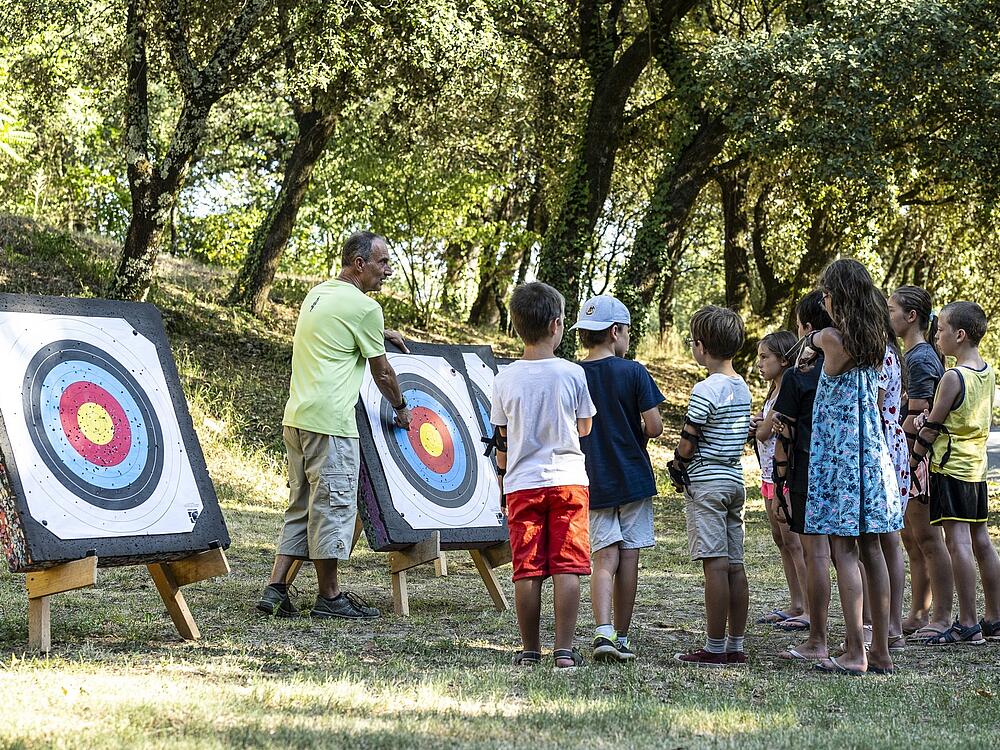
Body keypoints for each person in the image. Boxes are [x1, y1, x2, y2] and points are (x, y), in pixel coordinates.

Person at [256, 231, 413, 619]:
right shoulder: (364, 309)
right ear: (359, 264)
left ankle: (276, 589)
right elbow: (383, 372)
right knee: (333, 507)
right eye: (382, 262)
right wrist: (401, 406)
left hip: (297, 418)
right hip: (331, 426)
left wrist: (382, 332)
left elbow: (339, 333)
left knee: (302, 506)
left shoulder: (318, 294)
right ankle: (329, 596)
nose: (388, 270)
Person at [491, 282, 597, 670]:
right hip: (569, 480)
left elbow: (501, 435)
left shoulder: (504, 378)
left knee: (528, 569)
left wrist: (502, 484)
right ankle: (565, 651)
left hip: (522, 485)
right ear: (556, 325)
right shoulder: (572, 374)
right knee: (567, 566)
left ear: (517, 326)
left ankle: (530, 650)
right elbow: (584, 427)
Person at [806, 259, 902, 675]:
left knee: (843, 551)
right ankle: (879, 648)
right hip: (870, 453)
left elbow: (811, 346)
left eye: (827, 293)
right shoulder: (877, 340)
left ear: (836, 297)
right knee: (874, 550)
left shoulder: (831, 338)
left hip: (838, 455)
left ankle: (853, 651)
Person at [574, 295, 664, 663]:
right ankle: (624, 636)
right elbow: (655, 427)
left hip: (592, 478)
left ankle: (602, 631)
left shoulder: (574, 373)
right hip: (632, 478)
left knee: (603, 559)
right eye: (627, 331)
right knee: (629, 558)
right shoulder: (634, 371)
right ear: (615, 332)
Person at [909, 301, 1000, 644]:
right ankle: (994, 617)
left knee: (958, 543)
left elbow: (932, 427)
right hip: (976, 469)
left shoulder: (953, 376)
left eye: (942, 329)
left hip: (950, 468)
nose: (938, 334)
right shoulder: (987, 371)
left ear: (960, 335)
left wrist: (915, 459)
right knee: (982, 541)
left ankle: (967, 621)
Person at [669, 306, 753, 667]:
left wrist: (677, 464)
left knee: (714, 567)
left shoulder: (706, 389)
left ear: (701, 347)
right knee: (736, 565)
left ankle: (714, 646)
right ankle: (736, 642)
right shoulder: (742, 387)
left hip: (706, 483)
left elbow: (689, 439)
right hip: (735, 480)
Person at [769, 291, 834, 660]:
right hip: (844, 469)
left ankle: (817, 637)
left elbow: (784, 435)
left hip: (806, 469)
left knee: (816, 556)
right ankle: (865, 632)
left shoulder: (799, 376)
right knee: (851, 555)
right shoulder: (857, 368)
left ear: (808, 329)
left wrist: (779, 487)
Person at [888, 286, 953, 643]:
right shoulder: (909, 356)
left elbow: (923, 417)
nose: (888, 315)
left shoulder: (920, 358)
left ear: (911, 316)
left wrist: (912, 463)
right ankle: (918, 611)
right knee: (911, 538)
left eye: (892, 309)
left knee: (929, 538)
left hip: (920, 462)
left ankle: (942, 615)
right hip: (908, 462)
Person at [750, 331, 808, 628]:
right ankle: (796, 601)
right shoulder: (772, 391)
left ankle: (808, 606)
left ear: (784, 360)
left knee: (793, 541)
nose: (759, 363)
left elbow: (764, 432)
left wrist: (758, 426)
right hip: (767, 474)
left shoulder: (786, 391)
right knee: (780, 539)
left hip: (784, 473)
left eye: (765, 357)